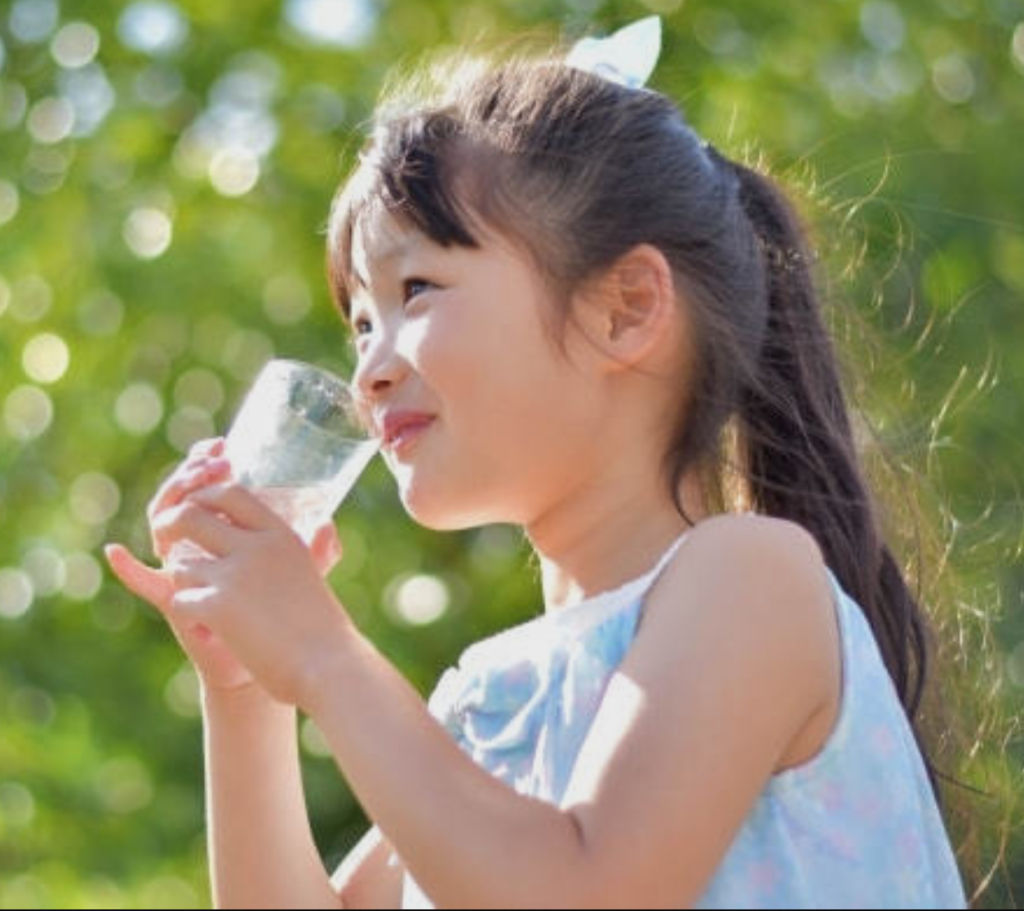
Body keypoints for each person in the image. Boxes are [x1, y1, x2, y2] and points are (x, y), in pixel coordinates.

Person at [105, 17, 968, 909]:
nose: (371, 366)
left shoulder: (751, 579)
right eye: (361, 322)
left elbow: (576, 890)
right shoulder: (489, 701)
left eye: (417, 291)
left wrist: (325, 656)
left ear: (626, 308)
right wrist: (246, 688)